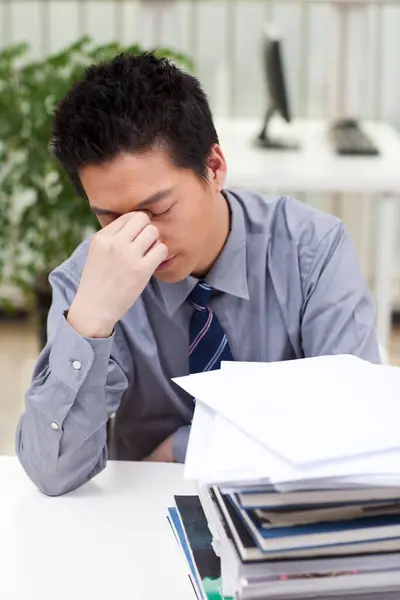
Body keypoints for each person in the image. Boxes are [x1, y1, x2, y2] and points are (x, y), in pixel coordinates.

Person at [16, 53, 380, 497]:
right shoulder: (89, 280)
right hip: (140, 515)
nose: (140, 238)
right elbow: (51, 473)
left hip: (284, 502)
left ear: (214, 167)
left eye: (159, 209)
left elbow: (354, 427)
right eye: (111, 218)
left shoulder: (312, 250)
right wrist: (90, 323)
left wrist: (184, 446)